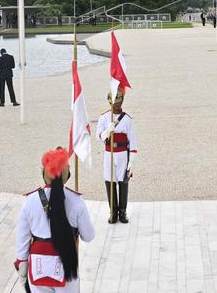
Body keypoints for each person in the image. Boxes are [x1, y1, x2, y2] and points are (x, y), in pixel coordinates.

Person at [13, 147, 96, 292]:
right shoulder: (76, 201)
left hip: (38, 262)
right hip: (67, 261)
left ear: (44, 173)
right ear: (67, 175)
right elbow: (88, 236)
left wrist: (22, 266)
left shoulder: (30, 200)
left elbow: (23, 238)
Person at [97, 88, 137, 224]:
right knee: (110, 181)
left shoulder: (127, 119)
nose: (117, 105)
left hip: (122, 155)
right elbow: (98, 136)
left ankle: (122, 211)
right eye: (115, 103)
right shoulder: (104, 117)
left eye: (119, 103)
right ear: (110, 103)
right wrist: (107, 132)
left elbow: (133, 141)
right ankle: (112, 212)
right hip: (109, 154)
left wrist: (131, 161)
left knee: (123, 182)